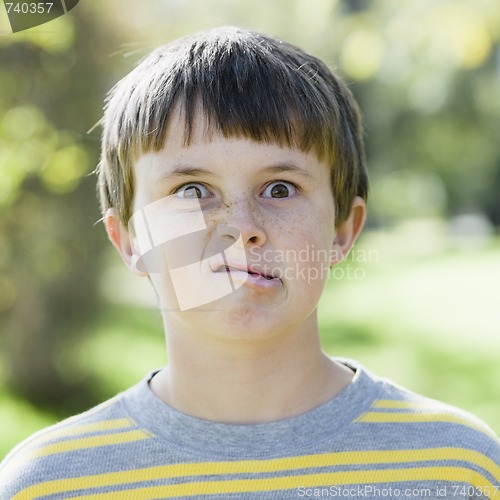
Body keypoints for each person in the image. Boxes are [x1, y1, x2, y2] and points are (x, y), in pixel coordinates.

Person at [0, 26, 498, 499]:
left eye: (280, 188)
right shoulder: (46, 484)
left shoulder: (456, 470)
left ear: (342, 230)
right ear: (130, 239)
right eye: (191, 190)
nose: (241, 226)